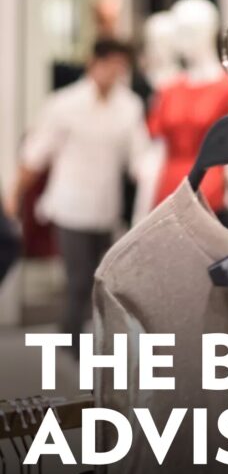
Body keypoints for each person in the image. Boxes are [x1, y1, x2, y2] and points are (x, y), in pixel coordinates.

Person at [5, 38, 149, 344]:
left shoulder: (129, 106)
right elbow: (35, 155)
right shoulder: (64, 104)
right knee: (79, 279)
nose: (114, 72)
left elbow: (139, 158)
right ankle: (70, 341)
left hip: (105, 208)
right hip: (69, 205)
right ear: (94, 63)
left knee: (104, 280)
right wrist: (14, 194)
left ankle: (93, 338)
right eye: (109, 65)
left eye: (120, 66)